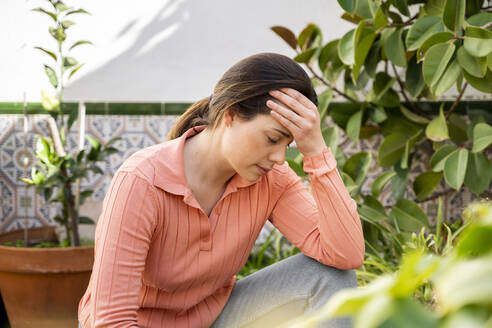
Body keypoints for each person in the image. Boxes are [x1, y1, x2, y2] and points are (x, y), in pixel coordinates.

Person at [78, 52, 365, 328]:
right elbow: (112, 322)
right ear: (230, 115)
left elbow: (345, 254)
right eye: (272, 138)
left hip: (214, 319)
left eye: (287, 145)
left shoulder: (272, 178)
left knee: (331, 277)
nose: (279, 157)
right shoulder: (141, 181)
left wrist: (315, 150)